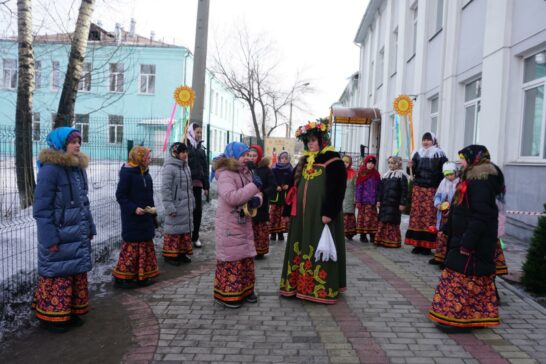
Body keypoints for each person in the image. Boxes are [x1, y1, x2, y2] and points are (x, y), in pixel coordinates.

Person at [428, 145, 504, 330]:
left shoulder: (480, 180)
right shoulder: (471, 178)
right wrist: (448, 228)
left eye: (462, 157)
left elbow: (481, 215)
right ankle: (471, 318)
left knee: (464, 280)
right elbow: (459, 207)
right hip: (464, 237)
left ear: (473, 159)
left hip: (474, 242)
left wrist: (467, 243)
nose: (459, 161)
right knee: (468, 279)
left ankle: (458, 320)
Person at [32, 127, 96, 333]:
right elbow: (41, 209)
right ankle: (53, 319)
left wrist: (90, 226)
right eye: (72, 141)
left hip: (77, 232)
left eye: (79, 141)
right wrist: (49, 238)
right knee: (59, 275)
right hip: (59, 236)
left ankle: (70, 313)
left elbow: (84, 203)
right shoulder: (50, 170)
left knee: (74, 273)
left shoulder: (78, 169)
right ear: (61, 144)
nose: (77, 145)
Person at [279, 120, 347, 304]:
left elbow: (338, 190)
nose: (311, 144)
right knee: (300, 246)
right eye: (308, 141)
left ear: (322, 140)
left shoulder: (333, 161)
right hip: (300, 218)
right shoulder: (303, 161)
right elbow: (293, 188)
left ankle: (320, 288)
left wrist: (329, 212)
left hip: (321, 217)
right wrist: (286, 211)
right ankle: (296, 285)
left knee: (319, 247)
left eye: (314, 140)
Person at [213, 142, 263, 308]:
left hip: (243, 222)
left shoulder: (246, 171)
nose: (246, 158)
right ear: (233, 156)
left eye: (248, 155)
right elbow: (232, 197)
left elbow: (256, 191)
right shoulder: (226, 174)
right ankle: (227, 295)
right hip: (230, 224)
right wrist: (253, 187)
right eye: (243, 155)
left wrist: (258, 199)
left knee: (245, 258)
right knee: (232, 258)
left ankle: (246, 291)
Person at [112, 146, 159, 287]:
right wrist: (134, 209)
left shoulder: (146, 174)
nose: (149, 160)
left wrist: (153, 214)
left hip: (146, 218)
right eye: (147, 157)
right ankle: (122, 278)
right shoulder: (127, 174)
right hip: (132, 218)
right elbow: (120, 196)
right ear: (139, 158)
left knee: (144, 246)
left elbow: (149, 196)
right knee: (132, 249)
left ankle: (142, 276)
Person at [405, 132, 448, 255]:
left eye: (428, 140)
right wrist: (409, 167)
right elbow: (411, 173)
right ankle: (417, 243)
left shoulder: (440, 154)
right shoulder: (417, 154)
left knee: (429, 217)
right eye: (424, 139)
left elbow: (444, 172)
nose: (425, 142)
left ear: (433, 141)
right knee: (417, 216)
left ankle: (427, 246)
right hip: (419, 188)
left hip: (432, 189)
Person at [161, 142, 195, 265]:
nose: (185, 154)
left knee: (183, 231)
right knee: (174, 231)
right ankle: (170, 256)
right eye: (182, 152)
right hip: (175, 205)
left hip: (185, 205)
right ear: (175, 153)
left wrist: (192, 201)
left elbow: (189, 187)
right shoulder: (169, 168)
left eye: (186, 152)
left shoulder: (186, 166)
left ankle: (181, 254)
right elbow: (166, 189)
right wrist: (169, 207)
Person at [248, 144, 277, 258]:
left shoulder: (266, 170)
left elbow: (273, 186)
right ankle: (248, 250)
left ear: (259, 156)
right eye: (249, 155)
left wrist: (263, 193)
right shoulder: (245, 168)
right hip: (247, 203)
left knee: (259, 227)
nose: (251, 158)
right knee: (249, 227)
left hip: (261, 205)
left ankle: (260, 251)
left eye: (254, 155)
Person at [430, 162, 459, 265]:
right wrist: (437, 204)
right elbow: (437, 195)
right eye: (446, 175)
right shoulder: (443, 182)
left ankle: (446, 258)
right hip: (442, 213)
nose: (449, 177)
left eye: (451, 174)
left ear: (456, 173)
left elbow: (458, 199)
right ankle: (438, 257)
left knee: (448, 235)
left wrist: (452, 210)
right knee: (440, 234)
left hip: (452, 214)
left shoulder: (459, 183)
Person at [375, 156, 408, 248]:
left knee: (392, 221)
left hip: (395, 204)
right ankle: (381, 240)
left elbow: (404, 191)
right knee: (383, 220)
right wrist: (378, 200)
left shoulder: (401, 176)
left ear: (398, 164)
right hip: (385, 203)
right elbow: (380, 190)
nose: (390, 165)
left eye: (393, 163)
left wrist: (402, 203)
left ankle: (392, 241)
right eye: (389, 163)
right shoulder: (386, 175)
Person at [186, 123, 210, 248]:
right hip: (186, 185)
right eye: (197, 132)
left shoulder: (201, 149)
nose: (200, 135)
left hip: (198, 185)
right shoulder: (185, 147)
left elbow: (205, 168)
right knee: (186, 211)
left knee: (198, 211)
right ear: (191, 132)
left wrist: (206, 186)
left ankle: (195, 236)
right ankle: (184, 237)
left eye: (201, 132)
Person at [355, 155, 380, 243]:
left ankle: (372, 235)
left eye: (372, 163)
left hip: (372, 202)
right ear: (365, 163)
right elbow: (358, 188)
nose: (370, 165)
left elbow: (378, 188)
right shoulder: (362, 173)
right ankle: (363, 235)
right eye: (369, 163)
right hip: (363, 202)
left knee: (372, 220)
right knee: (363, 219)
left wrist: (378, 200)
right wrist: (358, 200)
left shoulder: (376, 174)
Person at [269, 151, 293, 241]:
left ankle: (281, 233)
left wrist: (288, 185)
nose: (284, 160)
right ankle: (273, 233)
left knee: (282, 215)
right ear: (279, 159)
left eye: (286, 158)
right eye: (282, 158)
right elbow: (271, 179)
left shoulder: (290, 169)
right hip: (276, 194)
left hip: (285, 195)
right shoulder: (274, 168)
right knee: (274, 214)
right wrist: (276, 186)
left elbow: (293, 180)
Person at [342, 155, 357, 240]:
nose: (345, 164)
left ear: (350, 163)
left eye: (347, 162)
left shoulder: (353, 173)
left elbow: (355, 187)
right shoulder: (339, 172)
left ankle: (349, 233)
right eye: (343, 162)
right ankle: (341, 231)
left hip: (349, 197)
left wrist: (355, 198)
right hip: (341, 197)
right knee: (341, 214)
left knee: (348, 214)